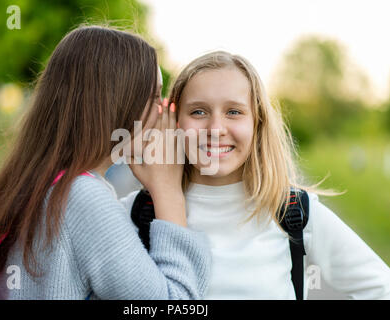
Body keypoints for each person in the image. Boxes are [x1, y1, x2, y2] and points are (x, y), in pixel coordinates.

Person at [0, 26, 211, 300]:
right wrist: (168, 192)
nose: (162, 110)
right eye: (152, 97)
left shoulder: (49, 182)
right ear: (115, 101)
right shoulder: (83, 197)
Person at [122, 51, 390, 299]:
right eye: (198, 111)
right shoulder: (135, 212)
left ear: (257, 123)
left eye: (234, 112)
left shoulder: (293, 213)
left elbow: (380, 286)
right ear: (174, 121)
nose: (216, 128)